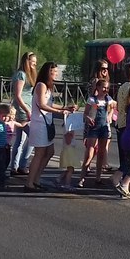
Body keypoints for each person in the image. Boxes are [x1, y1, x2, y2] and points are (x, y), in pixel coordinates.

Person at [24, 62, 76, 191]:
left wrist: (65, 108)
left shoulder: (48, 87)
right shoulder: (41, 85)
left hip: (46, 123)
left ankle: (36, 179)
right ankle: (30, 182)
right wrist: (59, 112)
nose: (57, 74)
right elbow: (42, 104)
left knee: (49, 152)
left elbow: (50, 104)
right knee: (39, 153)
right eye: (55, 71)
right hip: (39, 123)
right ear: (49, 72)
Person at [80, 78, 115, 187]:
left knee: (101, 153)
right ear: (98, 88)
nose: (106, 90)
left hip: (104, 128)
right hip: (93, 128)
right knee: (89, 154)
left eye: (107, 88)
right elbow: (85, 114)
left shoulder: (108, 99)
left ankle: (98, 178)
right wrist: (88, 118)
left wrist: (109, 115)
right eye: (104, 87)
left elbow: (113, 108)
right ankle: (82, 177)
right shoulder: (92, 100)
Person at [10, 52, 39, 175]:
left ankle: (16, 166)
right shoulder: (21, 75)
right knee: (34, 136)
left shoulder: (28, 75)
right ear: (27, 61)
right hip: (23, 109)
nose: (34, 64)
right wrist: (27, 110)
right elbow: (18, 95)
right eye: (33, 62)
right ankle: (22, 164)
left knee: (20, 140)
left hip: (28, 107)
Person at [59, 107, 86, 190]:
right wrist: (70, 135)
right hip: (69, 149)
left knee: (69, 168)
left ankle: (59, 178)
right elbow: (68, 140)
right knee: (71, 168)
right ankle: (67, 184)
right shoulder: (69, 128)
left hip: (69, 149)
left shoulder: (68, 126)